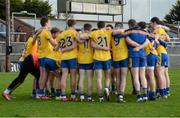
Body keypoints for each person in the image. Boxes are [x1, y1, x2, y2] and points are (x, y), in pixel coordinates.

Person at [34, 17, 58, 100]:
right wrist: (60, 45)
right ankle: (41, 93)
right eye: (49, 22)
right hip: (45, 56)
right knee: (46, 75)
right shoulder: (46, 31)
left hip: (40, 55)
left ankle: (40, 93)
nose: (50, 24)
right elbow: (53, 43)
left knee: (42, 75)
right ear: (46, 23)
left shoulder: (39, 32)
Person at [125, 19, 149, 102]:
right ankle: (145, 95)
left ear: (129, 25)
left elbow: (129, 41)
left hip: (133, 55)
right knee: (142, 75)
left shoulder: (129, 31)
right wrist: (140, 47)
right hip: (142, 55)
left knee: (135, 77)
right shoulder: (144, 32)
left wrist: (137, 47)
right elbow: (148, 41)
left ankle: (139, 96)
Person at [55, 19, 78, 101]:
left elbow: (56, 47)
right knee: (73, 76)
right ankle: (73, 95)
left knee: (64, 76)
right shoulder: (74, 32)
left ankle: (63, 95)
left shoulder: (61, 34)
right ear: (74, 25)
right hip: (72, 57)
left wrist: (62, 49)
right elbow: (74, 46)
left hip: (63, 58)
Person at [90, 21, 112, 102]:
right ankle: (106, 87)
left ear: (97, 26)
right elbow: (120, 31)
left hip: (97, 57)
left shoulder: (93, 33)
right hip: (107, 57)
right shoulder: (108, 32)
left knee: (99, 78)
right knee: (107, 76)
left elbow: (92, 45)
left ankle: (100, 97)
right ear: (104, 26)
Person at [150, 17, 170, 98]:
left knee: (159, 74)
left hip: (160, 53)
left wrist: (154, 45)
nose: (150, 24)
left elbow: (156, 40)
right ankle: (164, 91)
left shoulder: (157, 30)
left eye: (151, 23)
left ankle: (162, 93)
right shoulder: (162, 30)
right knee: (163, 74)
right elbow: (168, 39)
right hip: (164, 53)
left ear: (154, 23)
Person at [111, 23, 128, 102]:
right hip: (124, 57)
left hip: (115, 58)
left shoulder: (111, 34)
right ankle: (121, 95)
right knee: (123, 77)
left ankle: (118, 94)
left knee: (117, 77)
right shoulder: (124, 33)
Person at [77, 23, 94, 101]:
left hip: (81, 59)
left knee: (81, 78)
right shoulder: (92, 35)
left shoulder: (79, 35)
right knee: (90, 79)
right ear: (90, 29)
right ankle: (89, 97)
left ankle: (81, 96)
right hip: (90, 59)